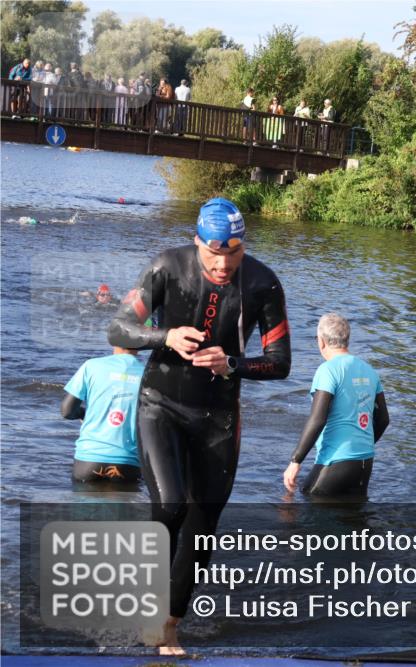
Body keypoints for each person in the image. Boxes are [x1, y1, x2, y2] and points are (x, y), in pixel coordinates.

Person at [108, 197, 290, 655]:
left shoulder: (264, 284)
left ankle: (169, 623)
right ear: (197, 243)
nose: (224, 263)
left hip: (219, 417)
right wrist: (163, 336)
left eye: (233, 252)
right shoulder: (167, 268)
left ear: (243, 247)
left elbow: (280, 363)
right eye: (214, 253)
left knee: (202, 522)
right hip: (161, 403)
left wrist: (232, 364)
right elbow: (118, 329)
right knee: (169, 505)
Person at [283, 314, 388, 499]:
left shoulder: (328, 370)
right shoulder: (370, 371)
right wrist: (362, 445)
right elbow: (384, 419)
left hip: (335, 461)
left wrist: (295, 461)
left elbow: (318, 419)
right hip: (365, 463)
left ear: (321, 341)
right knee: (353, 521)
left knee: (300, 503)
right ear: (346, 339)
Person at [62, 346, 144, 484]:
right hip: (127, 463)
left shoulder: (91, 366)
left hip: (88, 461)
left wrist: (83, 413)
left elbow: (67, 411)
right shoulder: (148, 374)